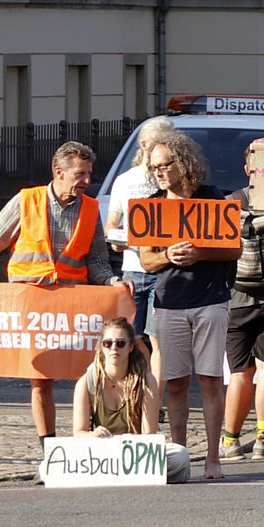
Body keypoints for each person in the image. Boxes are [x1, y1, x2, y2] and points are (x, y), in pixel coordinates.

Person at [0, 141, 120, 448]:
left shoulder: (91, 208)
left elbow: (97, 261)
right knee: (40, 378)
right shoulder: (27, 201)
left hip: (75, 303)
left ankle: (95, 440)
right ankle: (48, 448)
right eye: (80, 174)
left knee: (90, 375)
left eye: (89, 174)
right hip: (34, 303)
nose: (87, 181)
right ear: (59, 172)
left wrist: (110, 282)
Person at [133, 130, 239, 481]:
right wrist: (167, 255)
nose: (160, 172)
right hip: (169, 302)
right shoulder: (151, 205)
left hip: (210, 299)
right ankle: (179, 459)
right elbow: (146, 261)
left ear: (183, 162)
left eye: (165, 165)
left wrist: (200, 252)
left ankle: (213, 457)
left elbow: (233, 249)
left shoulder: (211, 198)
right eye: (154, 168)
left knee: (210, 380)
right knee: (175, 383)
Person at [220, 145, 264, 462]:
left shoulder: (229, 203)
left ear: (247, 170)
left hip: (237, 299)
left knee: (240, 373)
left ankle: (230, 442)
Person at [72, 317, 189, 483]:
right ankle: (118, 473)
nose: (114, 348)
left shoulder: (145, 381)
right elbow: (78, 432)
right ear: (102, 347)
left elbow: (149, 435)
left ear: (131, 347)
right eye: (108, 343)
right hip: (99, 450)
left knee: (179, 456)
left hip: (133, 452)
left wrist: (128, 441)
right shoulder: (87, 382)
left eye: (120, 343)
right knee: (48, 465)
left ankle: (119, 473)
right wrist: (92, 435)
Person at [104, 116, 172, 372]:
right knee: (130, 336)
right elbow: (111, 224)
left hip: (161, 270)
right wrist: (115, 239)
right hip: (132, 269)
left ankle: (154, 400)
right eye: (158, 145)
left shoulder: (169, 181)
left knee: (158, 339)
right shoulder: (125, 181)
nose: (162, 153)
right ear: (144, 145)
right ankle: (136, 387)